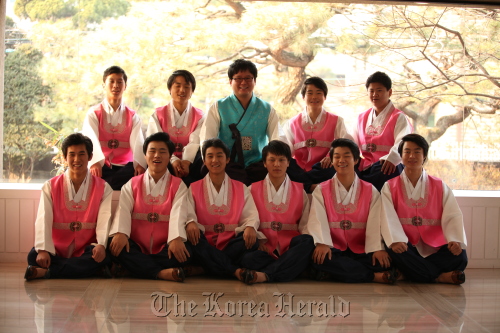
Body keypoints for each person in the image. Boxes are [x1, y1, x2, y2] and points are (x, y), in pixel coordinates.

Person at [380, 134, 468, 284]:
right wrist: (395, 240)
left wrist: (454, 240)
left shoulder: (439, 185)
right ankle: (440, 277)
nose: (412, 156)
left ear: (425, 156)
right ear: (401, 155)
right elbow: (386, 216)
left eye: (417, 151)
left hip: (434, 245)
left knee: (460, 257)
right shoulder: (390, 186)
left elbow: (452, 214)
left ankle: (410, 273)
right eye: (407, 151)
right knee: (394, 252)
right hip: (406, 245)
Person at [306, 138, 395, 284]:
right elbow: (317, 219)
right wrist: (322, 243)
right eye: (337, 156)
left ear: (355, 160)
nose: (342, 160)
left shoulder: (370, 190)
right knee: (318, 257)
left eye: (347, 156)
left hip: (361, 248)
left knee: (381, 261)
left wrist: (377, 248)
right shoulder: (321, 189)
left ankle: (334, 274)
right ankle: (373, 277)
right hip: (333, 247)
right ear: (332, 161)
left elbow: (375, 222)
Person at [25, 133, 113, 280]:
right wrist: (44, 249)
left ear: (90, 156)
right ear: (65, 157)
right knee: (34, 256)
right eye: (72, 154)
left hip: (87, 247)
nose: (76, 159)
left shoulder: (104, 188)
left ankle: (47, 272)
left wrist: (101, 245)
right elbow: (43, 218)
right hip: (57, 247)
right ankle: (89, 270)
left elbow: (105, 220)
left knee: (103, 256)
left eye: (81, 154)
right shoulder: (50, 186)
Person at [108, 132, 193, 281]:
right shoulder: (132, 184)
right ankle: (160, 273)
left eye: (162, 152)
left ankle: (135, 269)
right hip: (136, 244)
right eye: (152, 151)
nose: (156, 156)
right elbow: (123, 210)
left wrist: (175, 238)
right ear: (145, 156)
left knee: (185, 250)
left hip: (165, 246)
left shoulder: (178, 185)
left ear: (169, 156)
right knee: (115, 246)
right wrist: (121, 232)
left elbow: (179, 213)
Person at [178, 138, 261, 279]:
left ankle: (205, 267)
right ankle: (234, 270)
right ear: (204, 160)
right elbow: (188, 213)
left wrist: (250, 227)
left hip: (231, 241)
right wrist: (191, 222)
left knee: (251, 240)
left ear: (228, 159)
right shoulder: (193, 187)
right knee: (193, 240)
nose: (215, 160)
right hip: (205, 241)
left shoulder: (241, 187)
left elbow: (251, 215)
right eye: (210, 156)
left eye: (219, 155)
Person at [239, 140, 315, 284]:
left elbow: (305, 225)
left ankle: (266, 275)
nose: (276, 164)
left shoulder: (300, 191)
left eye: (281, 160)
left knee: (307, 242)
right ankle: (291, 269)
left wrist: (297, 250)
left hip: (291, 247)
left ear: (288, 163)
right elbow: (246, 219)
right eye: (272, 160)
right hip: (265, 247)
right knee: (248, 259)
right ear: (264, 163)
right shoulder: (252, 189)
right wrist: (258, 241)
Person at [199, 59, 281, 185]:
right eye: (238, 78)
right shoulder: (218, 107)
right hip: (226, 165)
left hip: (258, 164)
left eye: (248, 78)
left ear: (255, 81)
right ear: (230, 81)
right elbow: (207, 138)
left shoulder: (267, 109)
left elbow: (276, 140)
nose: (243, 82)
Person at [82, 65, 147, 190]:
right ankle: (108, 185)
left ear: (125, 86)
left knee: (137, 174)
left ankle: (104, 187)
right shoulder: (94, 113)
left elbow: (138, 142)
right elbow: (90, 139)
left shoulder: (132, 116)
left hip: (125, 167)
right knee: (89, 175)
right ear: (104, 85)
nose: (115, 85)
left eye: (119, 82)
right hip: (102, 166)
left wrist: (140, 164)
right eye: (111, 81)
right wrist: (95, 162)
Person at [283, 77, 352, 192]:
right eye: (310, 93)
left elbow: (347, 145)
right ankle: (311, 186)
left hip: (323, 168)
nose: (314, 97)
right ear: (303, 97)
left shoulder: (336, 121)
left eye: (319, 93)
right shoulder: (292, 123)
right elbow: (286, 150)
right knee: (285, 164)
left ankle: (304, 185)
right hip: (300, 169)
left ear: (324, 96)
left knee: (338, 165)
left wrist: (331, 156)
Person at [352, 71, 412, 191]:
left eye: (379, 90)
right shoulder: (361, 117)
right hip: (365, 165)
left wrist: (391, 158)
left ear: (389, 92)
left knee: (378, 175)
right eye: (371, 91)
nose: (375, 94)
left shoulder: (398, 117)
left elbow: (402, 142)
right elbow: (351, 141)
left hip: (386, 166)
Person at [146, 70, 205, 185]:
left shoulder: (200, 116)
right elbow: (156, 142)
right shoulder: (158, 115)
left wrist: (186, 162)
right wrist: (173, 160)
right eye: (177, 86)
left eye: (187, 87)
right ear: (169, 89)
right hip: (166, 160)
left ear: (192, 91)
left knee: (202, 160)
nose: (182, 90)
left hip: (190, 162)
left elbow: (195, 142)